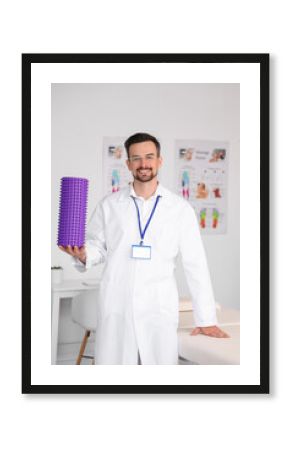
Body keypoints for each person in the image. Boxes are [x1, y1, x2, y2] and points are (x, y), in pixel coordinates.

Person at [59, 132, 229, 365]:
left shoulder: (179, 209)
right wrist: (82, 254)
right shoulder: (110, 205)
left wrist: (206, 318)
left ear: (160, 160)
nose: (143, 164)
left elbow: (195, 264)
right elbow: (96, 247)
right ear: (128, 164)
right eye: (136, 158)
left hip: (158, 305)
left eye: (149, 157)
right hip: (117, 302)